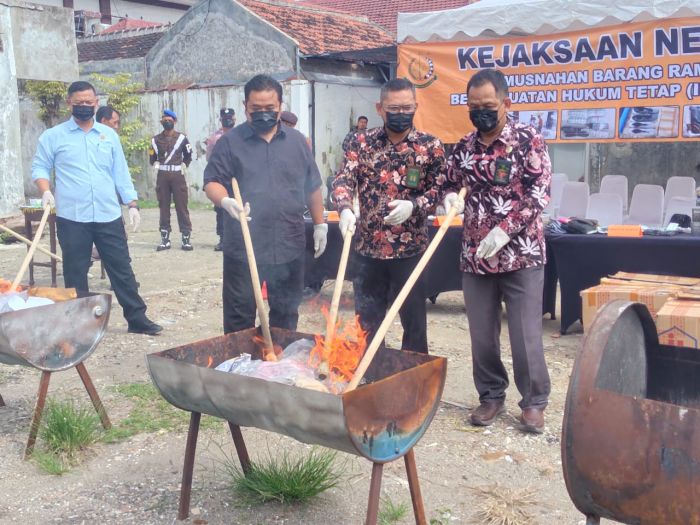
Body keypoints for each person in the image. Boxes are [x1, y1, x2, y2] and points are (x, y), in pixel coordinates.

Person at [441, 68, 552, 434]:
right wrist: (445, 199)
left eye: (488, 105)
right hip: (475, 255)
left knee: (524, 334)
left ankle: (534, 401)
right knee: (481, 334)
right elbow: (450, 184)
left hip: (521, 253)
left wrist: (505, 231)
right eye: (474, 106)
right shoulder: (464, 148)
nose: (481, 112)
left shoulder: (528, 140)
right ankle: (490, 395)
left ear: (506, 102)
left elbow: (539, 194)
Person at [31, 80, 162, 336]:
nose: (84, 107)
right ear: (69, 103)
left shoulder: (108, 135)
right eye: (78, 103)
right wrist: (45, 190)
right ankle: (80, 325)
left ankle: (137, 319)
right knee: (75, 271)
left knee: (121, 268)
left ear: (96, 103)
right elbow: (40, 167)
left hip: (107, 214)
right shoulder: (53, 136)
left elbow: (120, 172)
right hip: (72, 217)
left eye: (88, 103)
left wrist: (131, 203)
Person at [203, 74, 327, 334]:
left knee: (286, 313)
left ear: (280, 106)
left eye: (269, 109)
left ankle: (277, 368)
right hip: (244, 245)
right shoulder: (230, 143)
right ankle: (241, 367)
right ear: (245, 106)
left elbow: (312, 186)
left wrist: (320, 225)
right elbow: (212, 182)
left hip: (288, 242)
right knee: (239, 315)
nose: (263, 114)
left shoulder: (297, 142)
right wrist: (225, 201)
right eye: (256, 109)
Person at [333, 78, 446, 354]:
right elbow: (343, 179)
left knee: (414, 323)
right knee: (367, 324)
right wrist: (345, 207)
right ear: (380, 108)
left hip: (410, 252)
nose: (400, 113)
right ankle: (371, 378)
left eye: (406, 107)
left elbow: (440, 189)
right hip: (367, 251)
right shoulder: (359, 142)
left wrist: (416, 205)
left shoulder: (430, 147)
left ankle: (413, 383)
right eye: (393, 108)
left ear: (416, 107)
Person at [149, 109, 194, 251]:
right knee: (164, 207)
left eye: (169, 120)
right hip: (162, 175)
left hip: (177, 176)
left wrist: (184, 165)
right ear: (161, 122)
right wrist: (155, 163)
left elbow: (188, 154)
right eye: (164, 120)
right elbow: (152, 157)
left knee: (182, 207)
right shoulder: (155, 140)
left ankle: (186, 239)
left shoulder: (182, 138)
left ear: (174, 121)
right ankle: (165, 239)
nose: (167, 122)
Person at [205, 108, 236, 251]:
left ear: (234, 119)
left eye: (230, 117)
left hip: (238, 177)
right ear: (221, 120)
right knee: (221, 208)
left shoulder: (241, 136)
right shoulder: (214, 138)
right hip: (221, 177)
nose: (228, 120)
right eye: (225, 118)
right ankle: (223, 239)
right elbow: (209, 158)